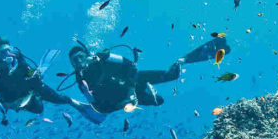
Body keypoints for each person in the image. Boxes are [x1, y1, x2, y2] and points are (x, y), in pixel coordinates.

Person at [66, 37, 230, 116]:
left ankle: (183, 60)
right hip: (122, 99)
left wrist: (131, 86)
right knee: (157, 101)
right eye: (75, 61)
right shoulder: (82, 82)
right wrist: (88, 96)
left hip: (135, 80)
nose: (79, 62)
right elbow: (98, 107)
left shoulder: (101, 59)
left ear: (87, 55)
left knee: (173, 74)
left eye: (81, 57)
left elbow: (131, 65)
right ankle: (146, 94)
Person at [0, 39, 104, 124]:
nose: (8, 54)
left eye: (9, 50)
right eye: (3, 52)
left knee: (58, 98)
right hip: (15, 100)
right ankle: (37, 100)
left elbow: (28, 72)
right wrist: (6, 105)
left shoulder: (20, 61)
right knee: (39, 109)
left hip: (31, 90)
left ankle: (77, 105)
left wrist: (35, 74)